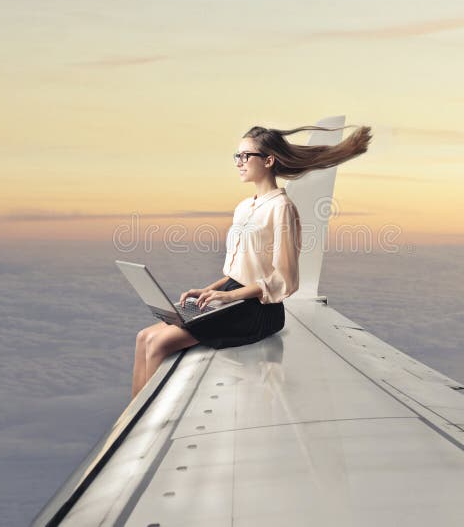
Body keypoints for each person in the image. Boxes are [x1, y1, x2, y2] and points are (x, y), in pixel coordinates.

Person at [131, 123, 372, 400]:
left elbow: (286, 280)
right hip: (232, 297)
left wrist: (228, 295)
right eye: (237, 156)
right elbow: (237, 270)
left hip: (258, 309)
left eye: (246, 156)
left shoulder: (282, 208)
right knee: (143, 338)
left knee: (159, 344)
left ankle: (140, 434)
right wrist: (209, 289)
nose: (239, 163)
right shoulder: (244, 207)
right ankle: (126, 424)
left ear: (268, 161)